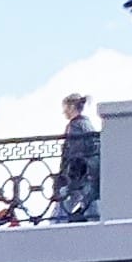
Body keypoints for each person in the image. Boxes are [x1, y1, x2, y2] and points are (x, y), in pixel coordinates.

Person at [49, 93, 100, 221]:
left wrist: (67, 177)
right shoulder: (87, 124)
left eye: (65, 108)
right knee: (90, 204)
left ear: (71, 107)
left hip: (78, 175)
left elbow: (75, 154)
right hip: (89, 173)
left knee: (63, 204)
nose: (63, 112)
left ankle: (54, 227)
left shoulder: (75, 126)